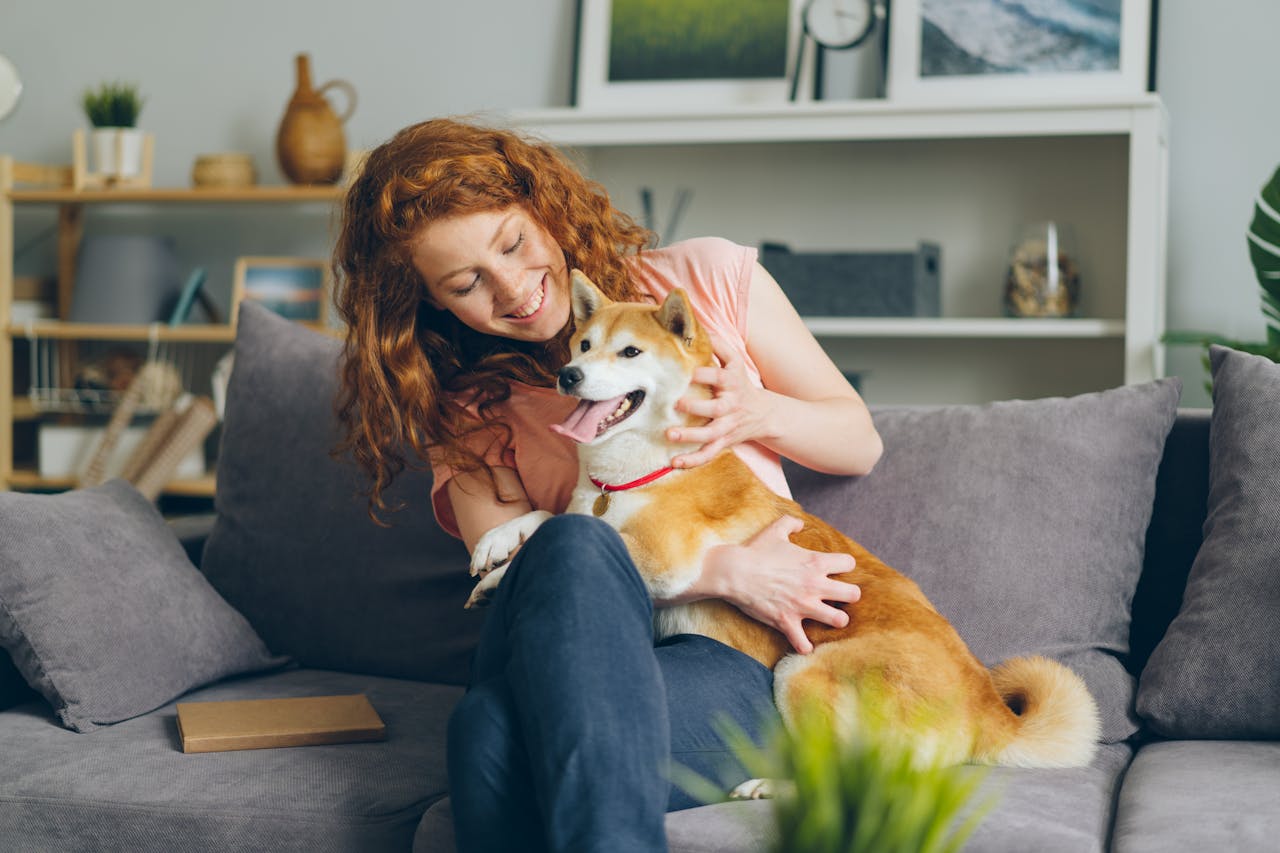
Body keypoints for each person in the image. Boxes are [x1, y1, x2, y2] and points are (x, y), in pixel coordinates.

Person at [332, 117, 883, 853]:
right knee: (570, 542)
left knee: (488, 736)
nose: (516, 289)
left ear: (546, 211)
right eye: (466, 283)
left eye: (514, 244)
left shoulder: (702, 280)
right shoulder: (466, 407)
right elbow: (518, 576)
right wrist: (720, 571)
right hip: (561, 638)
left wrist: (756, 409)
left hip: (722, 656)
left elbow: (858, 440)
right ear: (433, 302)